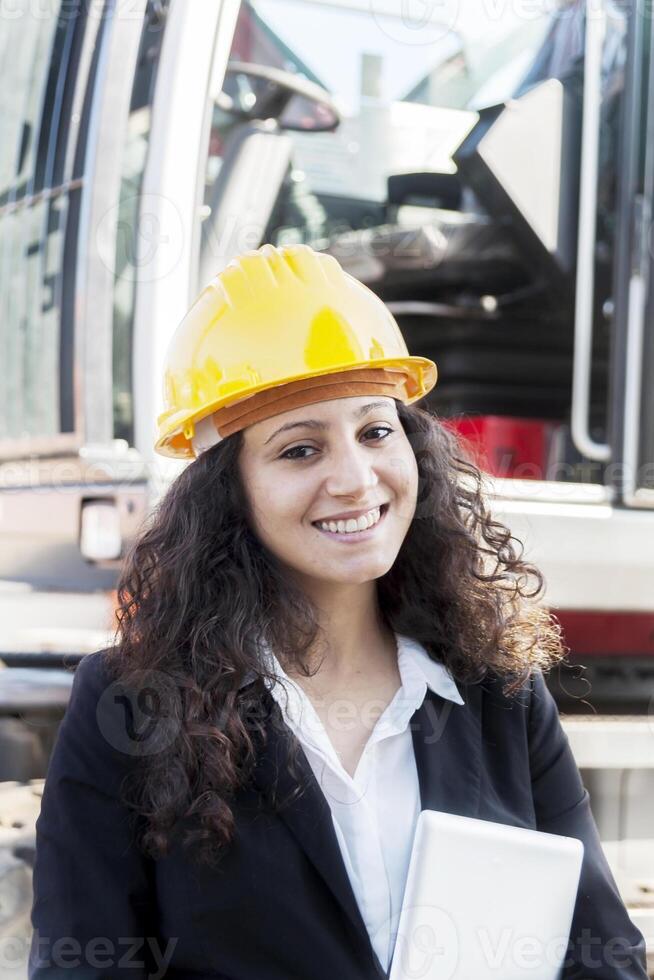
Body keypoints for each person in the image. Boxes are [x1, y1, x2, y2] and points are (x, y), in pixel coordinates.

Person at [29, 243, 648, 979]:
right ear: (229, 492)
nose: (355, 481)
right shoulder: (131, 705)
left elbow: (601, 955)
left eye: (375, 431)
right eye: (299, 450)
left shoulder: (498, 690)